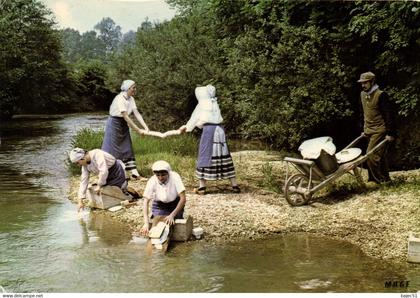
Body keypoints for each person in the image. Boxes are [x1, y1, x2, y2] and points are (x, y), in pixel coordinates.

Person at [179, 85, 240, 195]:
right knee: (223, 155)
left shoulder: (203, 104)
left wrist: (186, 128)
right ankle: (234, 185)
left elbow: (195, 118)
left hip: (209, 131)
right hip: (220, 130)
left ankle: (202, 187)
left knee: (205, 155)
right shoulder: (214, 103)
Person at [102, 79, 149, 179]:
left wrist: (145, 127)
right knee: (113, 149)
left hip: (123, 124)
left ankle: (135, 173)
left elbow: (136, 113)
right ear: (128, 88)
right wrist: (138, 130)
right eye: (133, 88)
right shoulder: (120, 98)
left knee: (127, 147)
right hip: (114, 124)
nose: (135, 89)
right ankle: (115, 173)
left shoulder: (131, 99)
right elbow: (126, 116)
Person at [357, 71, 396, 184]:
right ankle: (386, 179)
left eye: (365, 83)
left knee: (371, 156)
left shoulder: (381, 95)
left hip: (380, 130)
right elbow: (362, 113)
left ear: (372, 82)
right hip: (368, 129)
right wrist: (362, 129)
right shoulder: (362, 94)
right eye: (362, 83)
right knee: (381, 155)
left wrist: (390, 133)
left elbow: (389, 115)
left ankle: (378, 180)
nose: (363, 85)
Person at [69, 147, 128, 212]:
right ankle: (121, 189)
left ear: (82, 158)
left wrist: (99, 185)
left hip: (116, 172)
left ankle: (124, 186)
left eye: (77, 163)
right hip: (105, 176)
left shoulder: (97, 154)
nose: (78, 165)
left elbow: (104, 171)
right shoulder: (85, 165)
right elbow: (83, 181)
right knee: (99, 191)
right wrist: (80, 201)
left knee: (112, 191)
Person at [140, 160, 186, 236]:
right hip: (160, 205)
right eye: (158, 175)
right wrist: (146, 223)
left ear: (168, 172)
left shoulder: (175, 177)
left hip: (175, 203)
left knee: (174, 223)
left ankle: (177, 215)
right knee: (159, 226)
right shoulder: (152, 180)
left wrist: (172, 215)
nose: (160, 177)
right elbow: (145, 201)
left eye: (163, 175)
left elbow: (183, 198)